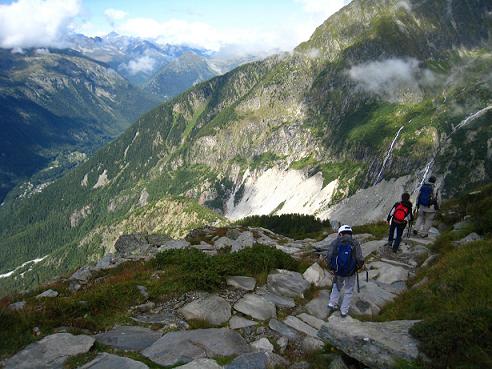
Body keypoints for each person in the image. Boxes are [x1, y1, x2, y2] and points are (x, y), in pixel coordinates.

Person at [325, 225, 364, 318]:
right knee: (348, 291)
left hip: (338, 271)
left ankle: (332, 304)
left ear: (340, 233)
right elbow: (359, 258)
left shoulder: (335, 242)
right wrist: (359, 266)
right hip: (351, 271)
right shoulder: (355, 243)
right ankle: (344, 311)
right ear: (350, 233)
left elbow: (329, 256)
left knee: (336, 286)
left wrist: (332, 268)